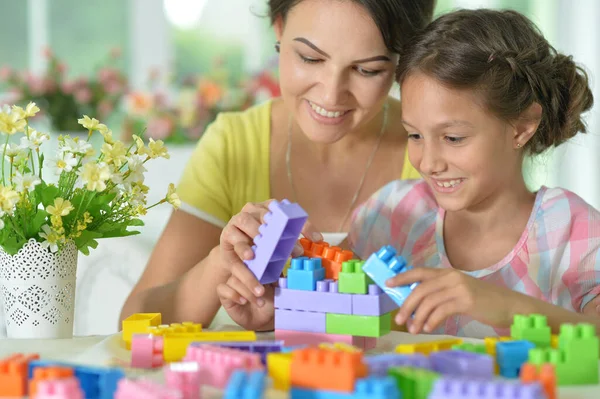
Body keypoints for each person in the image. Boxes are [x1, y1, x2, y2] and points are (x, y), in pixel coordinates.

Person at [216, 8, 600, 338]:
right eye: (415, 134)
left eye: (452, 137)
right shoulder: (392, 215)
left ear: (521, 127)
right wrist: (273, 314)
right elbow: (337, 315)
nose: (429, 161)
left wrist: (505, 306)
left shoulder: (570, 229)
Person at [119, 0, 436, 327]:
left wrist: (296, 312)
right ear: (280, 27)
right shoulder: (235, 144)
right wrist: (223, 262)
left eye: (367, 70)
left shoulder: (439, 151)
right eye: (310, 58)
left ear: (403, 59)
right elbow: (134, 321)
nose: (330, 96)